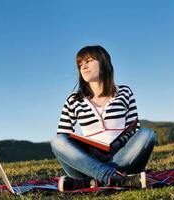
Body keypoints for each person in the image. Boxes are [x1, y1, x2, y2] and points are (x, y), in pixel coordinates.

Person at [50, 45, 156, 191]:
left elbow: (134, 130)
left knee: (147, 134)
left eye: (89, 61)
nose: (83, 66)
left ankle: (93, 182)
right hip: (86, 163)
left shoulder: (124, 92)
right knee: (58, 141)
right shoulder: (73, 99)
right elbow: (63, 137)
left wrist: (117, 145)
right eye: (80, 64)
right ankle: (114, 178)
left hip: (120, 158)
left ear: (104, 63)